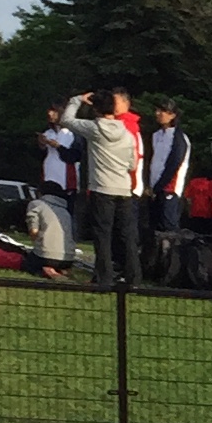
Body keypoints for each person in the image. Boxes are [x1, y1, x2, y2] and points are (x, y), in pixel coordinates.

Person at [62, 88, 144, 291]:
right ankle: (134, 278)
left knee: (103, 235)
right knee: (126, 235)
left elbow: (67, 120)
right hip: (124, 189)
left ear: (96, 109)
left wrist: (77, 99)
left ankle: (104, 279)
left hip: (102, 188)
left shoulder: (95, 128)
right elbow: (133, 164)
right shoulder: (127, 133)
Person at [145, 100, 192, 277]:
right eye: (157, 110)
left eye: (163, 111)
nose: (158, 114)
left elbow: (174, 164)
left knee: (169, 229)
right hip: (154, 187)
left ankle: (171, 268)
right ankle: (154, 265)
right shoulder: (156, 135)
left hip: (170, 188)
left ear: (173, 115)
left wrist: (159, 186)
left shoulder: (179, 137)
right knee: (154, 228)